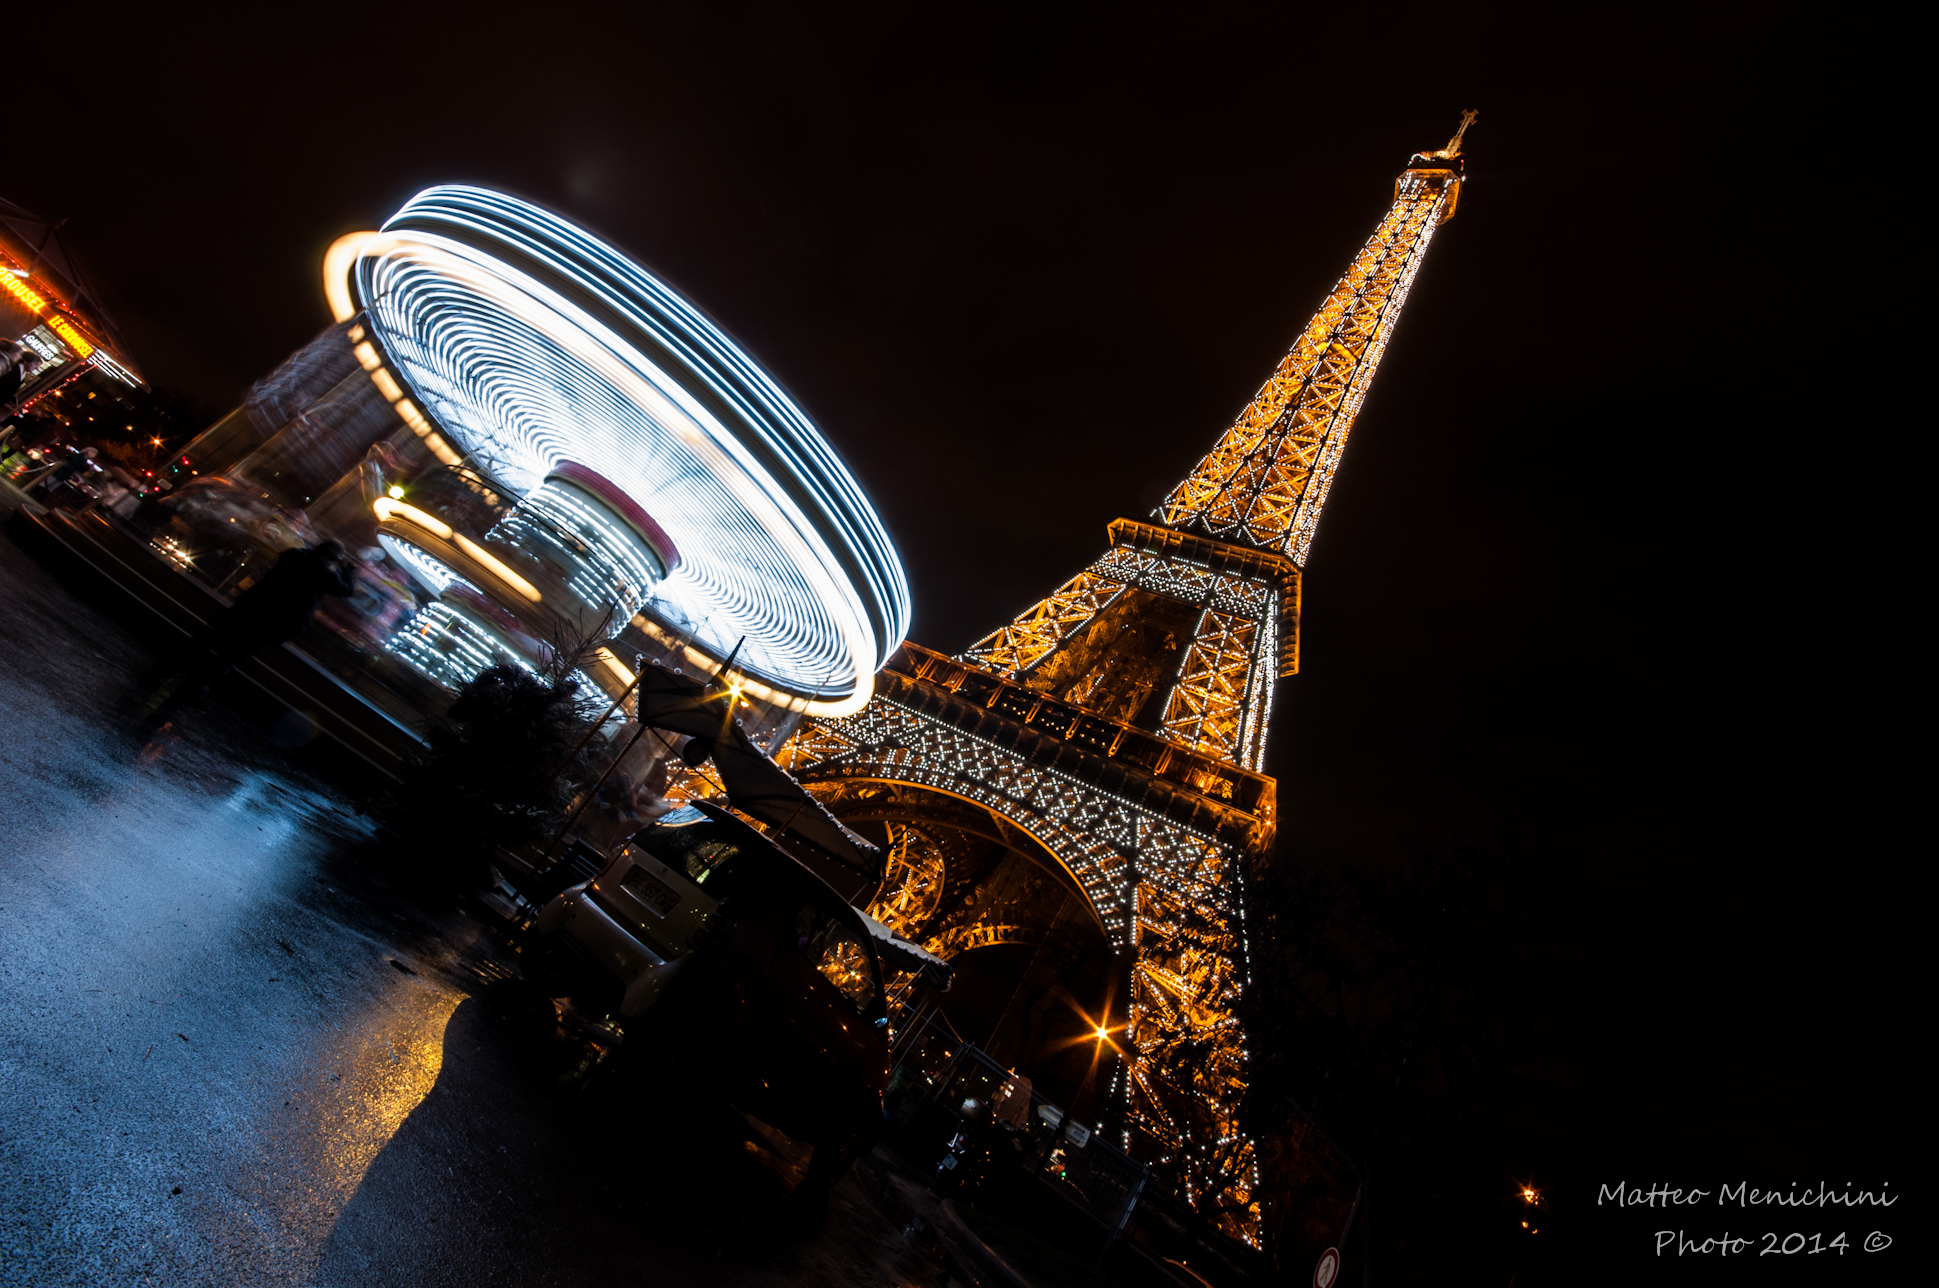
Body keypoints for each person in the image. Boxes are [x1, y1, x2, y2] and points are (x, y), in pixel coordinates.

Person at [143, 540, 356, 720]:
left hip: (250, 606)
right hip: (274, 621)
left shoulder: (294, 554)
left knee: (208, 638)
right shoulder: (324, 572)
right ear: (333, 558)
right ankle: (195, 687)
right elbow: (345, 590)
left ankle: (165, 669)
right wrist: (347, 572)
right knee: (231, 655)